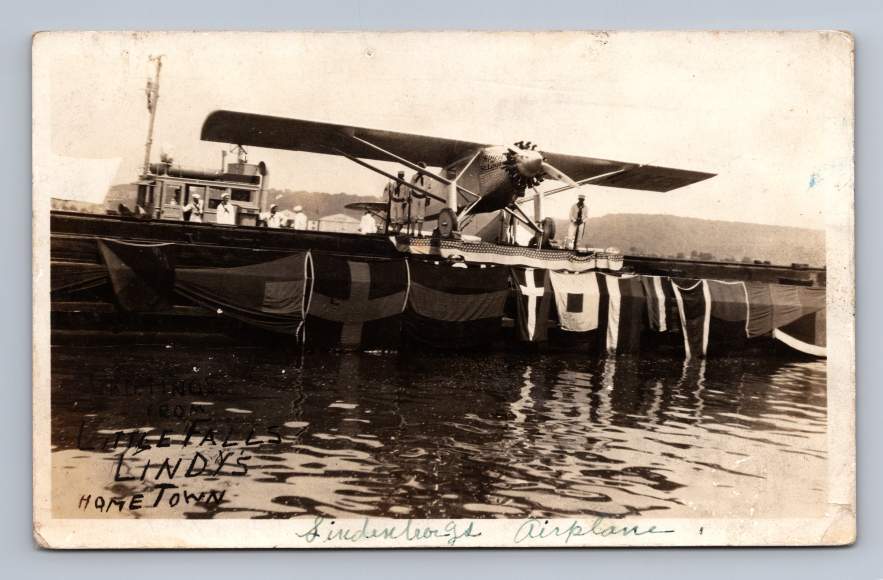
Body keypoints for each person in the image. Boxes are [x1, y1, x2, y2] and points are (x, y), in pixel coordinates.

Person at [409, 163, 430, 237]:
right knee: (413, 214)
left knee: (421, 215)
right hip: (414, 196)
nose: (420, 169)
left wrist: (428, 198)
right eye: (419, 167)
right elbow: (410, 186)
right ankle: (412, 232)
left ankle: (419, 232)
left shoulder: (427, 177)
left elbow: (428, 188)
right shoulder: (414, 176)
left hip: (423, 197)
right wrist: (409, 196)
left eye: (422, 168)